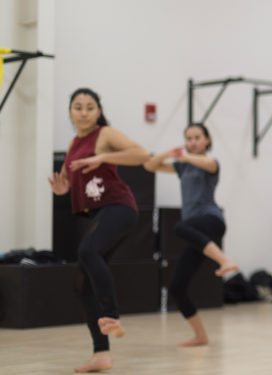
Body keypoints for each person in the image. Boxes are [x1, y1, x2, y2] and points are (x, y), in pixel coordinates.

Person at [49, 88, 150, 373]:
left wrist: (103, 158)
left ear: (98, 111)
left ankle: (111, 315)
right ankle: (101, 353)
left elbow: (141, 154)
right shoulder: (73, 143)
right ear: (70, 111)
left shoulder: (105, 135)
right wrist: (63, 189)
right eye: (78, 107)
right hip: (100, 213)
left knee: (88, 250)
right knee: (82, 286)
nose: (83, 112)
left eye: (89, 107)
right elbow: (69, 179)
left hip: (119, 207)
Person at [143, 123, 239, 347]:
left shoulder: (210, 163)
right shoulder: (182, 166)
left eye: (197, 137)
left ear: (207, 140)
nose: (193, 141)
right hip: (195, 230)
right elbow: (150, 165)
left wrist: (185, 156)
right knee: (177, 287)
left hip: (211, 220)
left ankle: (224, 260)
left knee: (179, 227)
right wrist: (168, 153)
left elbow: (209, 164)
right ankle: (201, 336)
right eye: (189, 138)